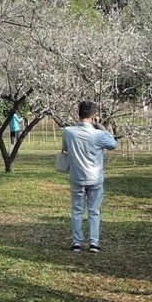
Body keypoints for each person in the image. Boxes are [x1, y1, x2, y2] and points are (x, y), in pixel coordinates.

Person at [61, 99, 117, 252]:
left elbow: (65, 147)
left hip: (77, 176)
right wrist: (104, 129)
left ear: (77, 114)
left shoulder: (68, 132)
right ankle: (94, 242)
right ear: (93, 116)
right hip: (95, 177)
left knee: (77, 210)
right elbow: (113, 144)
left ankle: (77, 242)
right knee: (94, 210)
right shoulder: (98, 134)